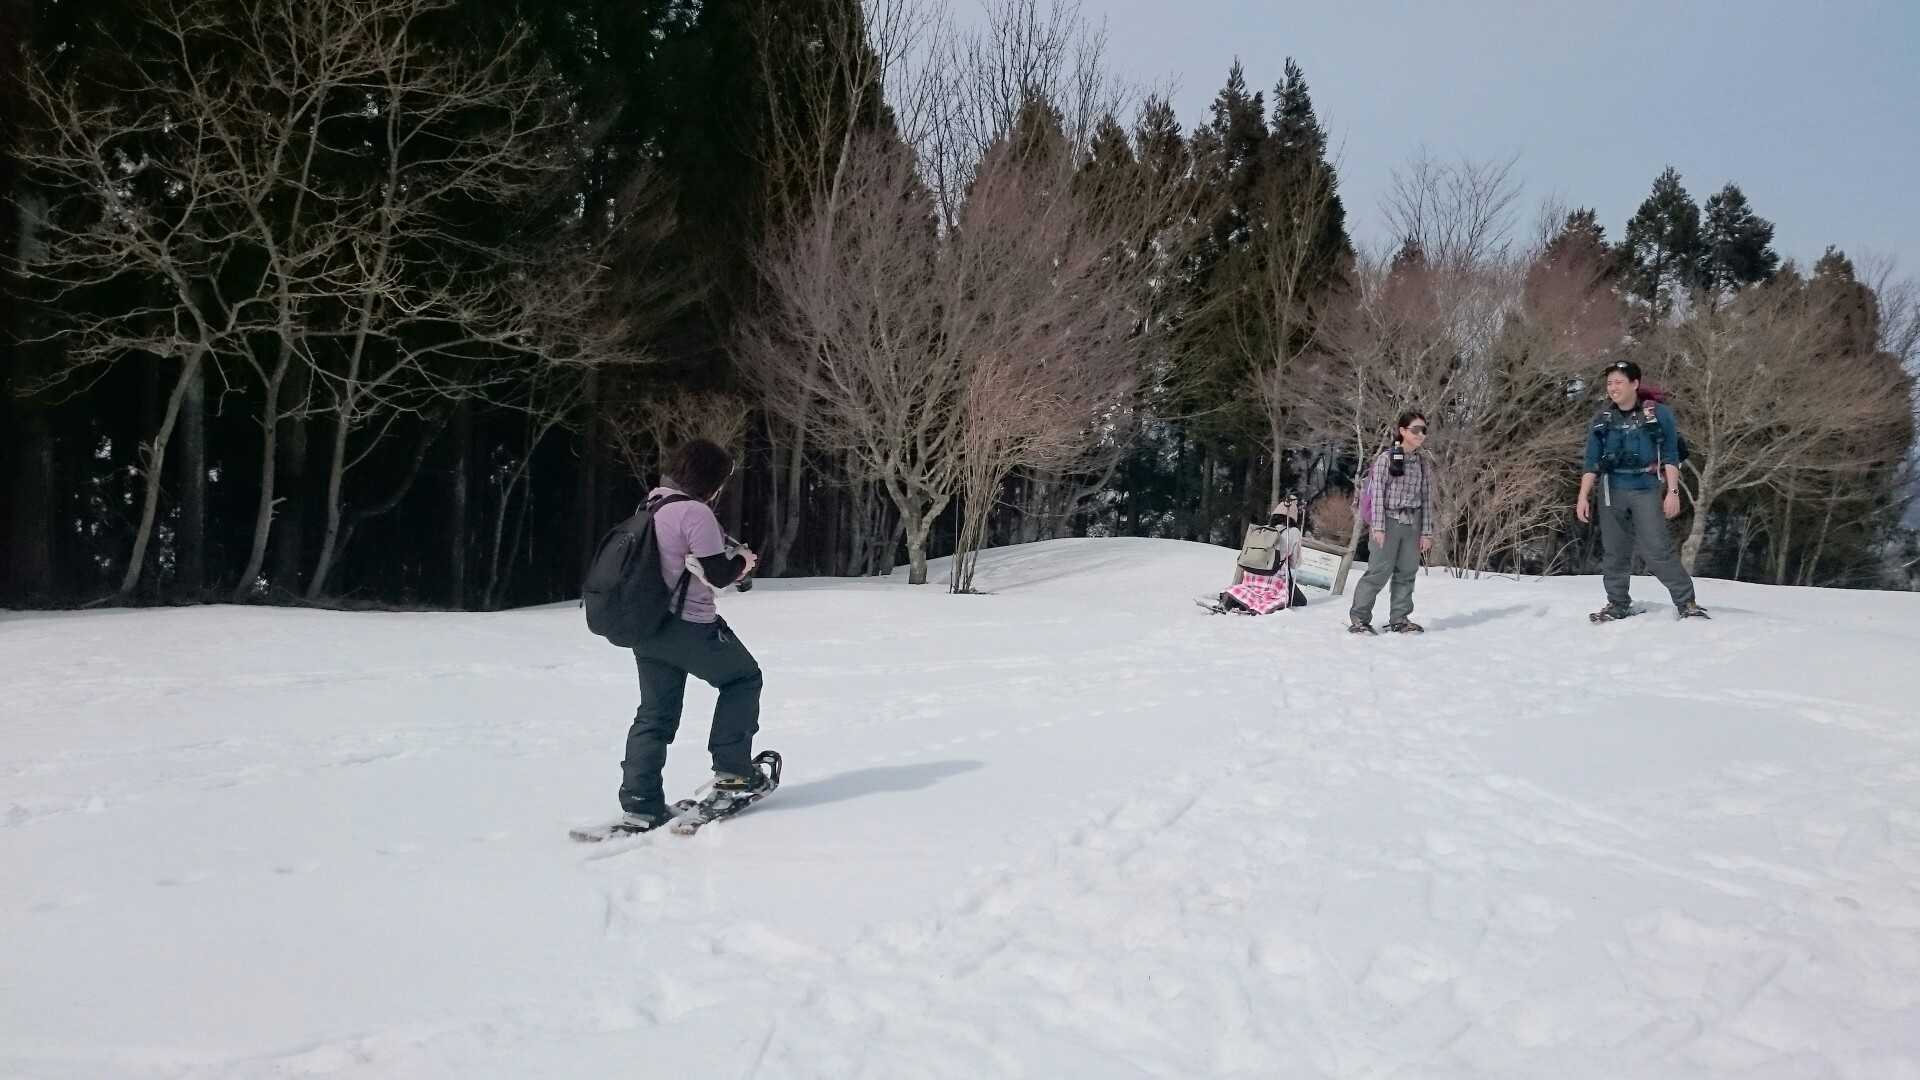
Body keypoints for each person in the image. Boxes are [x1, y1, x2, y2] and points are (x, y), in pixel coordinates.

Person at [615, 439, 766, 831]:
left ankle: (641, 804)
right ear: (712, 479)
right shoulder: (695, 512)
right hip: (689, 626)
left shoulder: (651, 504)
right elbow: (718, 574)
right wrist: (743, 561)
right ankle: (733, 775)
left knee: (654, 714)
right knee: (743, 679)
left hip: (647, 629)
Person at [1576, 360, 1708, 621]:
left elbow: (1670, 454)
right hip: (1611, 490)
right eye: (1609, 383)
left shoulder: (1657, 414)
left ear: (1635, 384)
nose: (1613, 388)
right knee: (1615, 551)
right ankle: (1617, 603)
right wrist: (1583, 496)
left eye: (1619, 382)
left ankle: (1686, 602)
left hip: (1645, 488)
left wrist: (1673, 492)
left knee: (1657, 550)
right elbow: (1591, 461)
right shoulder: (1602, 419)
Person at [1350, 411, 1433, 634]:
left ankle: (1400, 619)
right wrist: (1378, 527)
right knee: (1378, 572)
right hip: (1388, 521)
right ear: (1403, 431)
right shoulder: (1386, 459)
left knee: (1407, 573)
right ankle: (1359, 619)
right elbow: (1377, 494)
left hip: (1413, 523)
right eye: (1416, 430)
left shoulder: (1422, 463)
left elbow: (1427, 498)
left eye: (1424, 430)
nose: (1421, 434)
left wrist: (1426, 532)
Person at [1217, 495, 1306, 615]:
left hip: (1250, 577)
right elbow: (1295, 563)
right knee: (1301, 601)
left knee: (1251, 590)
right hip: (1274, 579)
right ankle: (1255, 606)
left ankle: (1236, 600)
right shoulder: (1294, 532)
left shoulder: (1264, 529)